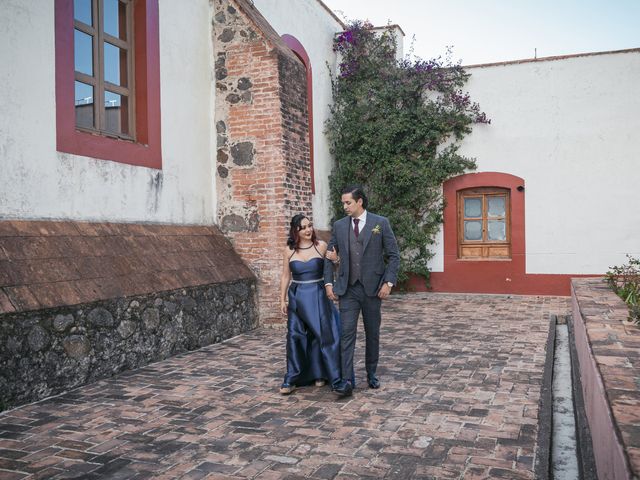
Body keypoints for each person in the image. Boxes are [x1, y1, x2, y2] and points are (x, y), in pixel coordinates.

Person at [324, 185, 400, 397]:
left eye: (348, 202)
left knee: (372, 334)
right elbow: (329, 256)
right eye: (343, 203)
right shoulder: (339, 226)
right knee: (346, 334)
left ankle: (371, 373)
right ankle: (347, 380)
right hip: (348, 289)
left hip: (373, 290)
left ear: (360, 202)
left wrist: (388, 283)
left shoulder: (380, 223)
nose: (345, 207)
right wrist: (328, 283)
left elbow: (394, 256)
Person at [279, 214, 342, 395]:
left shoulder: (320, 246)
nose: (308, 230)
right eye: (303, 228)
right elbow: (285, 276)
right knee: (295, 336)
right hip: (297, 296)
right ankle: (292, 377)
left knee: (321, 334)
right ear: (295, 231)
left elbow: (333, 268)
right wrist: (282, 299)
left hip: (318, 294)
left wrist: (336, 259)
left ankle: (321, 374)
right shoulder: (289, 250)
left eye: (309, 226)